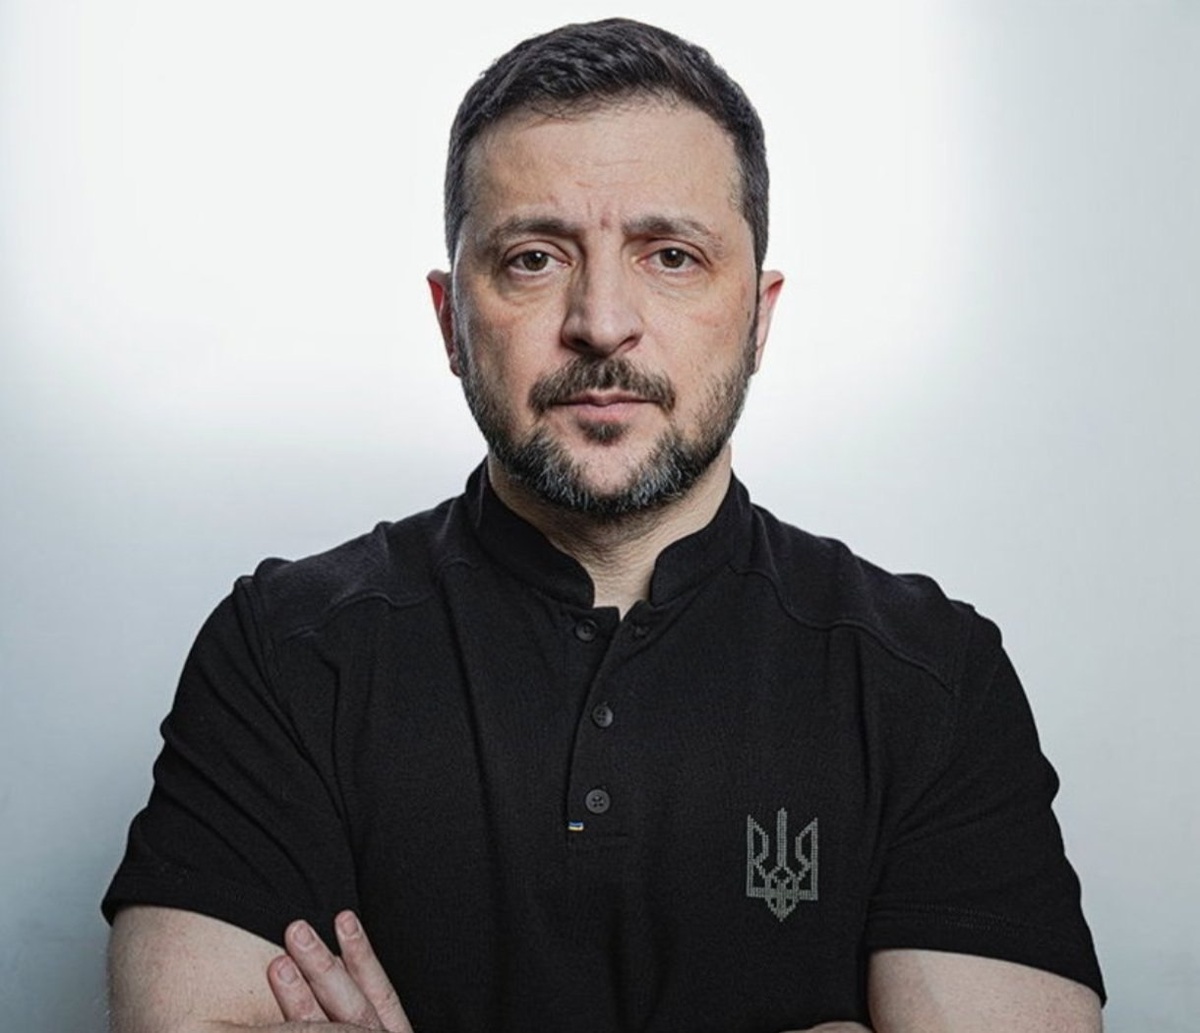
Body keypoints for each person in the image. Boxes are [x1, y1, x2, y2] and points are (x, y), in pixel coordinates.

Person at [103, 18, 1104, 1033]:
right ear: (450, 319)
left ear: (759, 315)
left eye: (671, 256)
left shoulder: (930, 678)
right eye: (534, 258)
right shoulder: (282, 651)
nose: (602, 321)